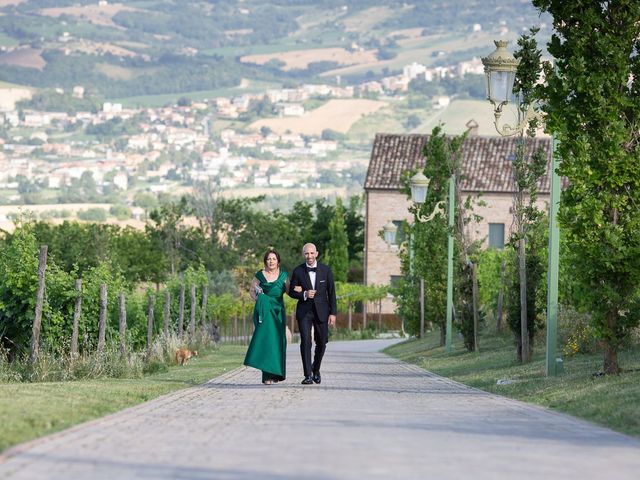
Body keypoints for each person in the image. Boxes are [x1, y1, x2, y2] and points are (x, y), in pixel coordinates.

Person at [288, 243, 337, 385]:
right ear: (303, 255)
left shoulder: (326, 270)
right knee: (306, 342)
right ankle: (308, 375)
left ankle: (316, 370)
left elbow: (332, 293)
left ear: (316, 253)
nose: (309, 256)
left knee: (322, 342)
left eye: (311, 253)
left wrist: (333, 313)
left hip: (322, 311)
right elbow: (291, 291)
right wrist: (304, 293)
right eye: (306, 254)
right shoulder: (298, 271)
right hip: (304, 312)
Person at [243, 248, 289, 385]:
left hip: (278, 312)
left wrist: (300, 290)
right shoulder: (259, 275)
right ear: (265, 261)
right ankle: (267, 376)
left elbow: (290, 291)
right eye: (269, 259)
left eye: (274, 259)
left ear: (278, 261)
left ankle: (277, 374)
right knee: (266, 341)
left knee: (279, 342)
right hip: (264, 312)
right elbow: (252, 291)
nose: (271, 261)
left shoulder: (284, 276)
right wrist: (260, 300)